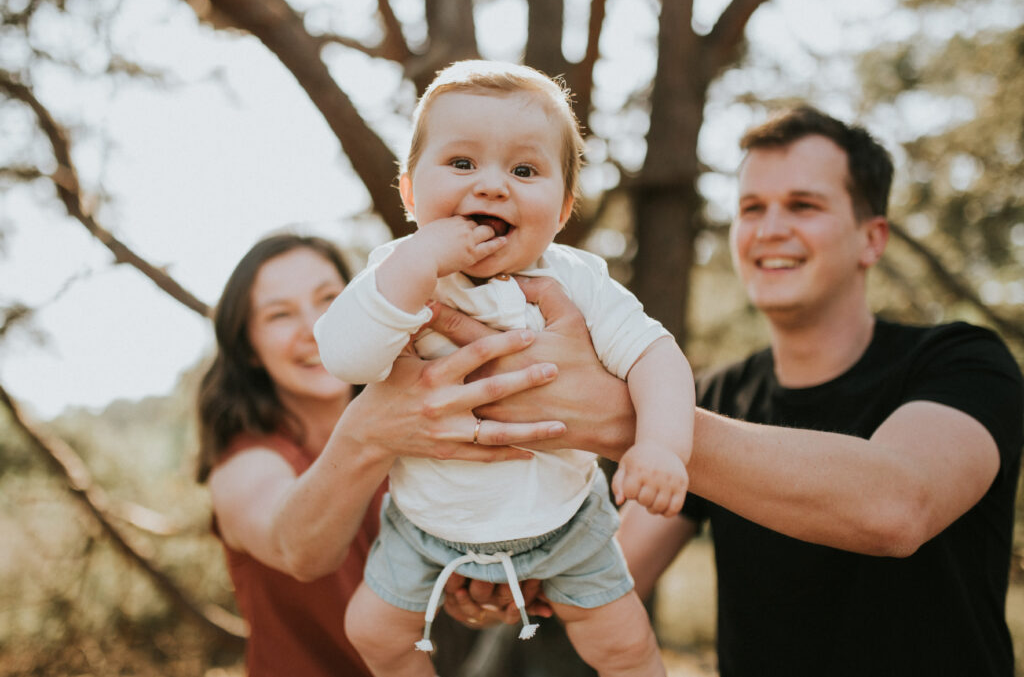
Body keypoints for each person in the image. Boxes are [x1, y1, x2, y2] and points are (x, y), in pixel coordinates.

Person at [431, 105, 1022, 676]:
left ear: (872, 238)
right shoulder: (716, 395)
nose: (770, 229)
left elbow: (897, 507)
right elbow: (617, 562)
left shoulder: (962, 361)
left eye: (803, 205)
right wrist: (509, 571)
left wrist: (617, 417)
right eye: (751, 207)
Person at [314, 60, 693, 677]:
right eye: (462, 164)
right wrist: (420, 262)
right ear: (410, 191)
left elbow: (657, 356)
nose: (492, 186)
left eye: (524, 170)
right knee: (372, 632)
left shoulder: (576, 281)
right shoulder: (395, 275)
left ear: (563, 208)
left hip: (566, 521)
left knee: (623, 645)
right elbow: (345, 358)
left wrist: (661, 446)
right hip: (426, 525)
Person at [195, 233, 570, 677]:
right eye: (279, 315)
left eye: (329, 299)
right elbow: (296, 548)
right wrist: (367, 435)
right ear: (249, 349)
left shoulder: (419, 431)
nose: (314, 328)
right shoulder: (243, 463)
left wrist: (483, 589)